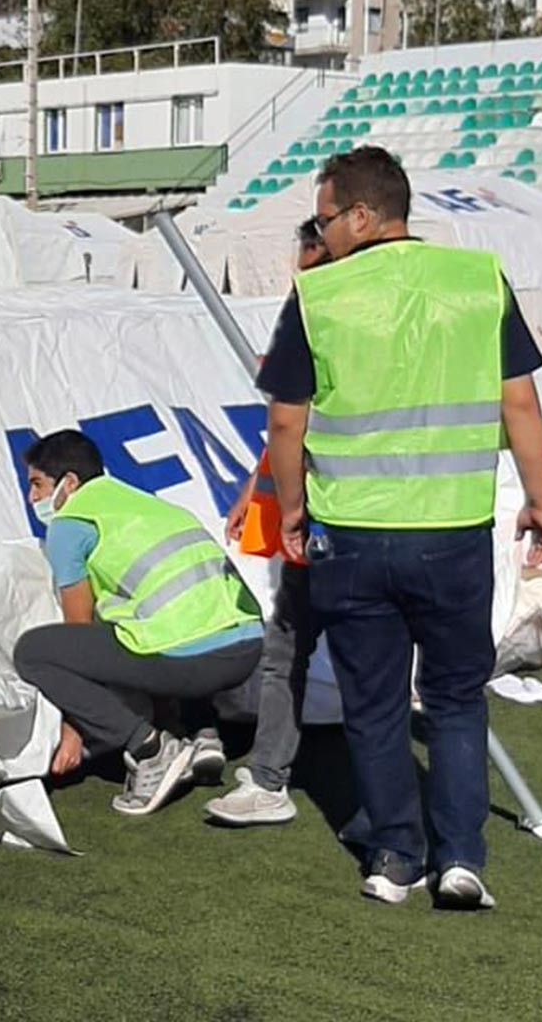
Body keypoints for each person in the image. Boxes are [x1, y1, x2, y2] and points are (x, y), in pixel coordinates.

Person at [262, 146, 542, 911]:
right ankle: (462, 860)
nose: (319, 235)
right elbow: (519, 403)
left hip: (351, 537)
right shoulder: (477, 279)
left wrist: (291, 509)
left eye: (325, 219)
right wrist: (537, 498)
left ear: (361, 214)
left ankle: (397, 856)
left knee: (376, 705)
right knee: (457, 700)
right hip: (455, 532)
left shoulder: (318, 295)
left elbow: (286, 423)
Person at [12, 430, 264, 817]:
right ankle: (201, 729)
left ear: (70, 483)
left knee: (35, 652)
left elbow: (78, 630)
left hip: (193, 662)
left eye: (37, 484)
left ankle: (150, 748)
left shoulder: (70, 524)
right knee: (150, 629)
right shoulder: (153, 506)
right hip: (247, 650)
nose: (32, 498)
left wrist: (74, 726)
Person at [205, 218, 330, 828]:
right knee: (289, 649)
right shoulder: (312, 311)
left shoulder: (330, 315)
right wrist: (253, 490)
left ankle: (274, 777)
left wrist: (291, 511)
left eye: (307, 256)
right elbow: (281, 430)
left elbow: (294, 426)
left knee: (299, 650)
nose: (298, 272)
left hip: (329, 520)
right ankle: (272, 773)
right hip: (319, 518)